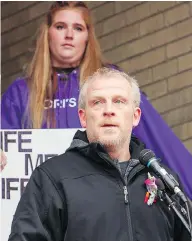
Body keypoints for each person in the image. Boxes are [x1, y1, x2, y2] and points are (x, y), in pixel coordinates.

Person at [1, 1, 191, 199]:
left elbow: (158, 139)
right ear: (48, 33)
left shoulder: (112, 81)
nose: (69, 35)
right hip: (46, 205)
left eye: (78, 28)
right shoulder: (21, 92)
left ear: (87, 37)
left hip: (105, 203)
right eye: (60, 26)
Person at [8, 68, 191, 241]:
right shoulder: (51, 178)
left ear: (135, 116)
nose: (108, 111)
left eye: (119, 101)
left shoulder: (164, 181)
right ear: (83, 117)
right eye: (97, 102)